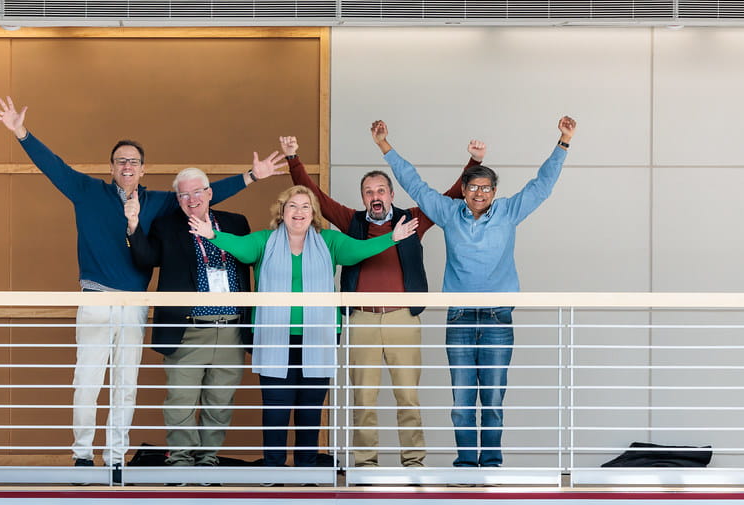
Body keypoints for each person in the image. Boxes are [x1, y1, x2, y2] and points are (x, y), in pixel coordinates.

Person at [0, 96, 283, 477]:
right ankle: (82, 455)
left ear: (143, 170)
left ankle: (114, 458)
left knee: (125, 384)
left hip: (136, 304)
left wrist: (252, 176)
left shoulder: (158, 203)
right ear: (111, 167)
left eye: (133, 162)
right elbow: (54, 167)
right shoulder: (86, 192)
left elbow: (199, 198)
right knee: (88, 379)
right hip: (96, 297)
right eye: (120, 161)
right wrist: (21, 133)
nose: (127, 166)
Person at [372, 116, 576, 468]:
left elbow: (542, 185)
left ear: (494, 192)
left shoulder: (509, 212)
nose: (479, 193)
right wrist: (384, 147)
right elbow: (415, 186)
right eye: (473, 187)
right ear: (463, 191)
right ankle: (467, 465)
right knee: (463, 400)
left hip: (498, 319)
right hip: (460, 319)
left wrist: (564, 141)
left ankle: (492, 464)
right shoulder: (450, 213)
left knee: (493, 398)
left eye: (486, 188)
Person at [278, 133, 484, 469]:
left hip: (403, 318)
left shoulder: (412, 219)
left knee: (408, 398)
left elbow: (448, 198)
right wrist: (293, 159)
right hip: (361, 320)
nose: (375, 196)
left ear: (391, 194)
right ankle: (365, 466)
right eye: (369, 192)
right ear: (363, 197)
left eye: (380, 190)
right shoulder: (352, 222)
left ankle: (414, 463)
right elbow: (315, 196)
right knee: (364, 400)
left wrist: (473, 163)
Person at [187, 185, 418, 468]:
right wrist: (213, 236)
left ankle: (308, 467)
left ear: (314, 213)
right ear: (282, 212)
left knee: (310, 410)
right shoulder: (264, 240)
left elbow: (358, 251)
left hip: (317, 340)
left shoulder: (330, 241)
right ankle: (273, 468)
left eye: (305, 206)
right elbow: (242, 250)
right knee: (275, 411)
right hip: (274, 340)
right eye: (292, 206)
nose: (299, 212)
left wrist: (391, 239)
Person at [127, 167, 251, 469]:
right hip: (188, 329)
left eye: (197, 192)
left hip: (231, 329)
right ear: (178, 200)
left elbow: (252, 255)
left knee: (219, 404)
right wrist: (133, 225)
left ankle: (207, 462)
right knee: (180, 403)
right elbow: (146, 257)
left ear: (209, 193)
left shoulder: (236, 223)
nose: (191, 199)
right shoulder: (166, 226)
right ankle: (181, 463)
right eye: (183, 194)